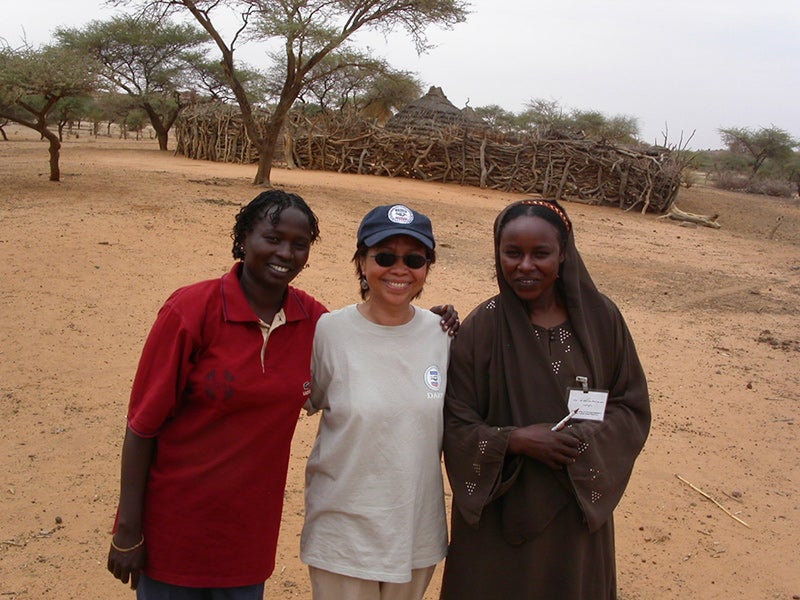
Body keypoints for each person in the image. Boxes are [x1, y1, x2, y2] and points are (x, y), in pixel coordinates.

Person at [107, 191, 457, 598]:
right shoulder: (196, 311)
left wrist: (436, 322)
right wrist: (127, 528)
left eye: (299, 244)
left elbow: (382, 351)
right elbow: (142, 424)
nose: (285, 253)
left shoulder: (316, 322)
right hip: (179, 524)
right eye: (272, 238)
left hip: (250, 534)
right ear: (243, 239)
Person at [440, 199, 651, 599]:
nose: (525, 266)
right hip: (499, 512)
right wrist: (515, 441)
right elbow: (456, 422)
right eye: (512, 253)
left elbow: (631, 407)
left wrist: (579, 445)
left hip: (574, 513)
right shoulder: (482, 326)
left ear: (564, 253)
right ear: (497, 252)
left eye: (541, 253)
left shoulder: (603, 322)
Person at [301, 204, 451, 600]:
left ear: (427, 267)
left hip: (416, 532)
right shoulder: (329, 332)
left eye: (414, 259)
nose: (399, 269)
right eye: (384, 257)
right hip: (344, 535)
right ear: (361, 263)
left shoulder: (444, 335)